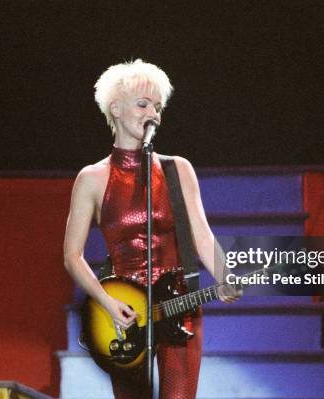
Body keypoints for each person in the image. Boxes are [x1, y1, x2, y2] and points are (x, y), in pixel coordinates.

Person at [63, 59, 240, 399]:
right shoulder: (91, 179)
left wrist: (224, 275)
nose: (153, 114)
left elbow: (202, 234)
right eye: (143, 104)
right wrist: (106, 302)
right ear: (115, 108)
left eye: (158, 108)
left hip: (180, 304)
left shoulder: (178, 170)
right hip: (125, 314)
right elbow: (72, 255)